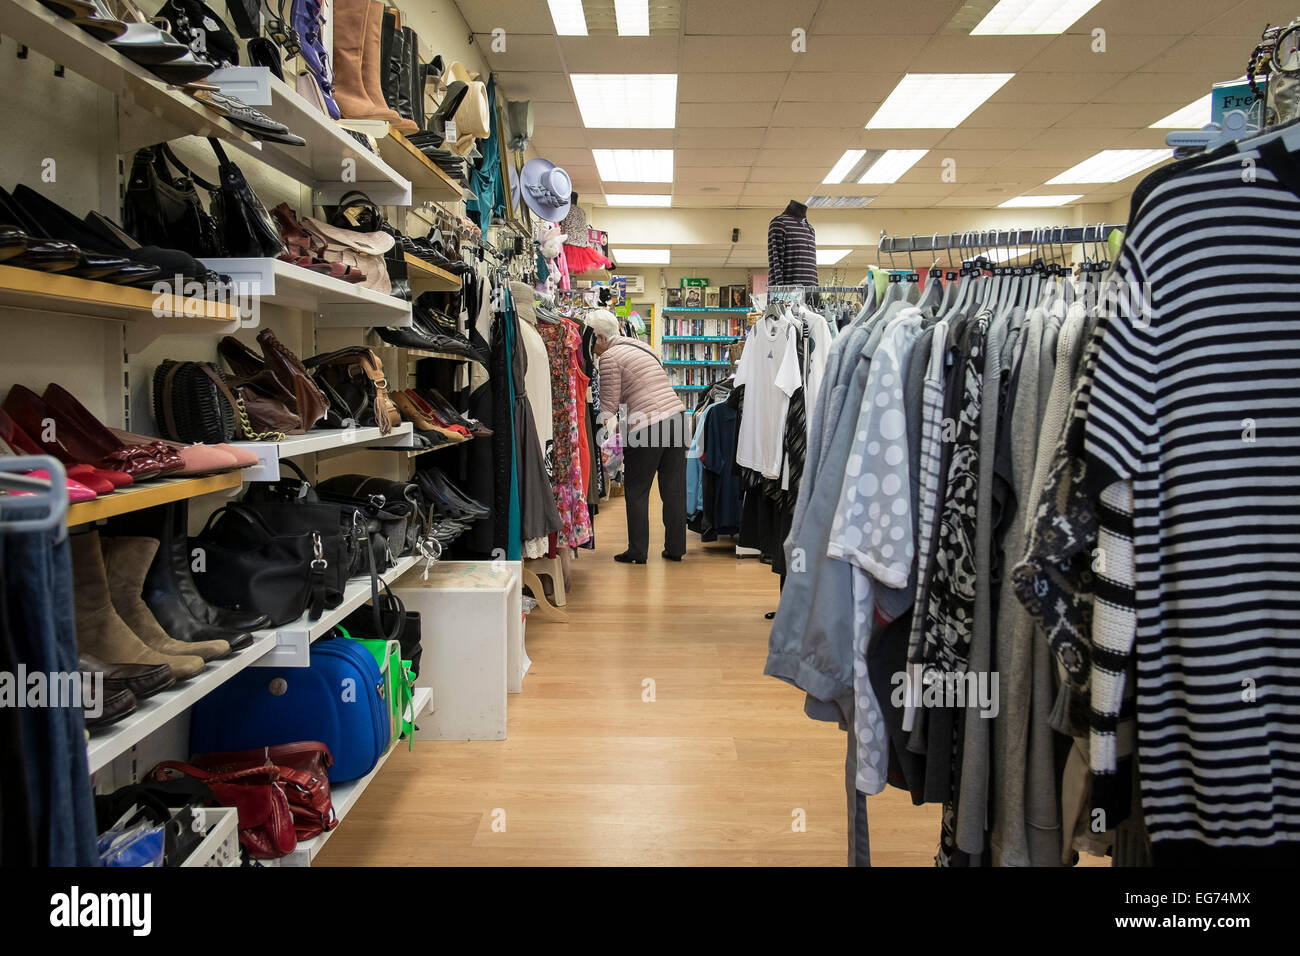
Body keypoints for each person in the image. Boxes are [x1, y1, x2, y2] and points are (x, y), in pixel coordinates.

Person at [589, 310, 688, 564]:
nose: (590, 346)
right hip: (676, 418)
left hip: (647, 425)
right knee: (673, 489)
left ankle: (637, 551)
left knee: (637, 490)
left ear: (600, 337)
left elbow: (608, 407)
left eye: (591, 340)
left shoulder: (610, 357)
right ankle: (675, 548)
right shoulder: (642, 347)